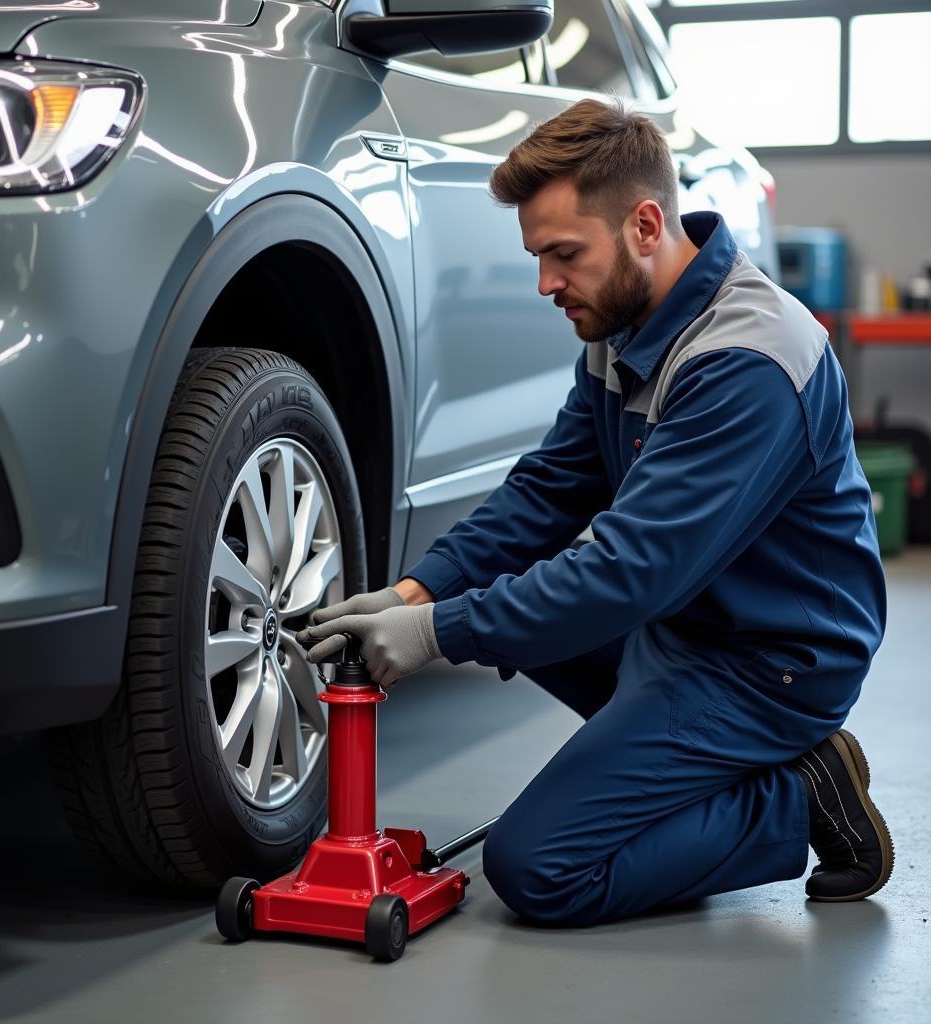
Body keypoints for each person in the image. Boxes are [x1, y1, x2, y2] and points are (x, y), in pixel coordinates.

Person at [295, 97, 892, 926]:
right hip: (689, 624)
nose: (546, 283)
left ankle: (798, 794)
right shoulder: (626, 326)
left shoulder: (748, 359)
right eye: (538, 256)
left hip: (771, 659)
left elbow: (630, 573)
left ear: (646, 225)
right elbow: (547, 490)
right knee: (514, 613)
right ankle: (692, 761)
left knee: (539, 866)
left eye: (564, 255)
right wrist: (416, 596)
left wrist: (437, 636)